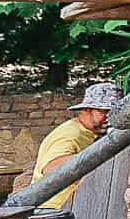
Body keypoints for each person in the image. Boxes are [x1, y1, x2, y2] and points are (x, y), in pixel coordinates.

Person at [31, 81, 118, 210]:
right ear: (87, 109)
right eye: (104, 111)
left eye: (113, 112)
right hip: (54, 208)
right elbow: (51, 168)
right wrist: (96, 159)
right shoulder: (70, 134)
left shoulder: (89, 132)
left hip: (70, 206)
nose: (109, 116)